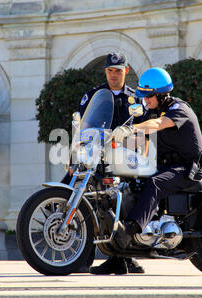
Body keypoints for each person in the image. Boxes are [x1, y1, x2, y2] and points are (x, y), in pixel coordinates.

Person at [62, 52, 146, 275]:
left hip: (123, 159)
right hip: (94, 158)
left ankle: (125, 257)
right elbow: (80, 128)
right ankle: (81, 258)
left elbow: (144, 131)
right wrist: (73, 158)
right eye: (110, 71)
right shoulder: (93, 95)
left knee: (123, 201)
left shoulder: (135, 98)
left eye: (118, 71)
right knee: (73, 194)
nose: (113, 75)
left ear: (126, 71)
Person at [111, 67, 202, 253]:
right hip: (166, 167)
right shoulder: (152, 111)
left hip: (188, 169)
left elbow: (158, 125)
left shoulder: (179, 109)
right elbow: (141, 139)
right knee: (130, 181)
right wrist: (112, 142)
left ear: (162, 94)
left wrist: (132, 129)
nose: (145, 100)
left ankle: (130, 230)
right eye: (144, 96)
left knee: (155, 183)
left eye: (149, 96)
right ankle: (118, 257)